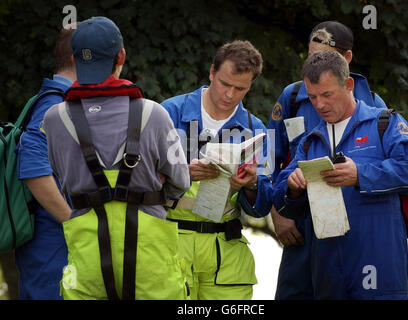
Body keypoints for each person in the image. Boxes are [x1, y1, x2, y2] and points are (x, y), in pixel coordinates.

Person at [43, 16, 190, 300]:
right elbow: (180, 182)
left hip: (88, 258)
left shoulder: (54, 119)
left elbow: (62, 180)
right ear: (120, 55)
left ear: (75, 59)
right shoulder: (154, 114)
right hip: (151, 258)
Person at [273, 50, 408, 299]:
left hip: (378, 265)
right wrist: (293, 187)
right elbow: (280, 195)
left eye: (327, 94)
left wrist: (361, 174)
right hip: (326, 270)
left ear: (349, 84)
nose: (319, 104)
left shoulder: (384, 123)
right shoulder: (310, 141)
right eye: (312, 97)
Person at [267, 21, 387, 300]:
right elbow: (268, 159)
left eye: (323, 57)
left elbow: (392, 167)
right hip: (301, 224)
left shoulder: (374, 105)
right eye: (310, 57)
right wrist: (278, 213)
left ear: (346, 59)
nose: (314, 65)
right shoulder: (293, 97)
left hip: (354, 228)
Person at [161, 40, 272, 300]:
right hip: (171, 242)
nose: (230, 95)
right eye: (225, 84)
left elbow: (262, 208)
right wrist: (182, 172)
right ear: (212, 73)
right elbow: (139, 181)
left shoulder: (256, 129)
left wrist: (253, 184)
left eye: (240, 88)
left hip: (227, 253)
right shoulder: (169, 112)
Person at [14, 25, 77, 300]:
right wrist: (74, 223)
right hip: (51, 247)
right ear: (78, 58)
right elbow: (32, 168)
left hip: (49, 246)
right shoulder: (55, 104)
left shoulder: (50, 100)